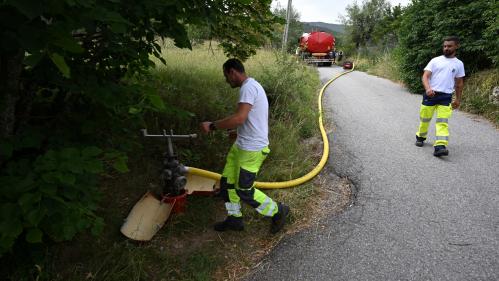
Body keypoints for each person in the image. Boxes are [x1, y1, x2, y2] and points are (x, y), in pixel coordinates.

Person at [200, 58, 290, 233]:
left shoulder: (248, 88)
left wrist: (212, 126)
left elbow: (239, 118)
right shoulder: (251, 86)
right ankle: (235, 219)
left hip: (252, 150)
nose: (227, 80)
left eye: (226, 76)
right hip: (241, 145)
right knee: (227, 184)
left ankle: (278, 211)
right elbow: (249, 118)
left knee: (244, 191)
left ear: (233, 72)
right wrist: (238, 133)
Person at [415, 36, 465, 157]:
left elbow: (459, 83)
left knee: (442, 122)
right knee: (425, 119)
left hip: (446, 97)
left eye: (449, 46)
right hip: (431, 95)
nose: (446, 48)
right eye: (445, 46)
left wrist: (458, 99)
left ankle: (440, 146)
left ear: (456, 46)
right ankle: (421, 137)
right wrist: (428, 89)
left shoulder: (459, 64)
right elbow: (425, 76)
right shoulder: (435, 60)